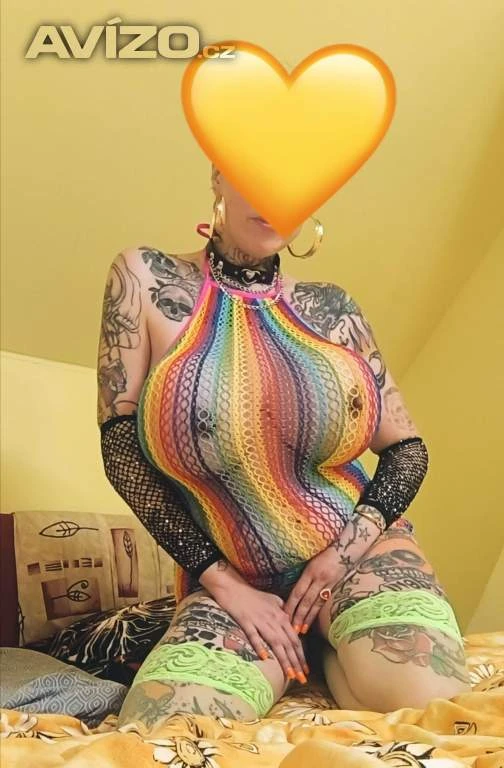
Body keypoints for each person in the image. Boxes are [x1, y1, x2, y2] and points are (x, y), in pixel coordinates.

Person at [97, 164, 471, 728]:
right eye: (259, 173)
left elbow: (407, 448)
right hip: (236, 580)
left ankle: (333, 643)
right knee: (163, 737)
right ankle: (326, 651)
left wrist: (338, 558)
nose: (278, 198)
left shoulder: (335, 307)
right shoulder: (144, 276)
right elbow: (120, 448)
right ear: (219, 175)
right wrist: (220, 582)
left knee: (430, 710)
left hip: (356, 552)